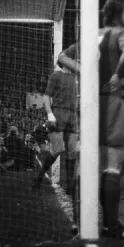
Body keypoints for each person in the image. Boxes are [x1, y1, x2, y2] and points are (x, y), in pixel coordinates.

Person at [59, 0, 124, 239]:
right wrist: (117, 75)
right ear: (117, 14)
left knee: (87, 167)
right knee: (113, 168)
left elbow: (62, 57)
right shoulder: (121, 33)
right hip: (114, 104)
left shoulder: (92, 35)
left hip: (90, 105)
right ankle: (111, 226)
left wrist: (85, 72)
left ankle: (79, 222)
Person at [32, 55, 79, 204]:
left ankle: (70, 187)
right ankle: (39, 179)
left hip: (72, 116)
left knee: (72, 151)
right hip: (58, 113)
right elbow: (46, 97)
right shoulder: (56, 75)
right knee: (57, 149)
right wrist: (50, 114)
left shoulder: (77, 77)